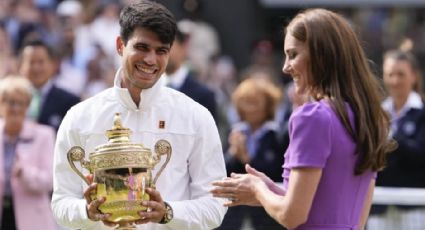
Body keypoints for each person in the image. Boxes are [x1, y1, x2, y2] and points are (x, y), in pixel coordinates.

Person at [211, 8, 395, 230]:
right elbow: (339, 211)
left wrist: (258, 189)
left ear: (321, 55)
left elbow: (292, 216)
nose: (286, 67)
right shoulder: (367, 117)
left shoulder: (312, 117)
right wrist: (269, 189)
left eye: (293, 54)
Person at [51, 1, 227, 230]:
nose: (150, 60)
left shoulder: (195, 117)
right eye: (142, 47)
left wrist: (168, 212)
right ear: (120, 45)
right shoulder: (80, 116)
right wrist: (87, 211)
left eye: (161, 51)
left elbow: (215, 205)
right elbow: (60, 203)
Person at [368, 50, 425, 229]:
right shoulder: (377, 114)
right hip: (379, 205)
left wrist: (391, 137)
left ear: (414, 76)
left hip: (414, 206)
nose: (395, 81)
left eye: (401, 74)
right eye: (390, 74)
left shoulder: (422, 113)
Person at [220, 77, 284, 230]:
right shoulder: (234, 132)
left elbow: (278, 173)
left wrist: (248, 160)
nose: (249, 108)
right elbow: (222, 170)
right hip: (235, 213)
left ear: (267, 105)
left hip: (267, 214)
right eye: (245, 102)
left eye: (255, 102)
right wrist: (233, 153)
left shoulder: (277, 135)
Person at [0, 76, 56, 230]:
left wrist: (25, 173)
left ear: (28, 106)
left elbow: (50, 180)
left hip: (32, 220)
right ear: (1, 104)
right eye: (11, 102)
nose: (16, 108)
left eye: (21, 103)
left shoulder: (44, 135)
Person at [18, 39, 80, 131]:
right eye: (31, 62)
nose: (36, 68)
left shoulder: (70, 102)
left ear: (53, 64)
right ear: (21, 66)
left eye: (40, 62)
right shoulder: (10, 100)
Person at [163, 23, 217, 121]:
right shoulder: (148, 89)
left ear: (184, 46)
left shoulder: (203, 95)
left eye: (169, 45)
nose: (163, 51)